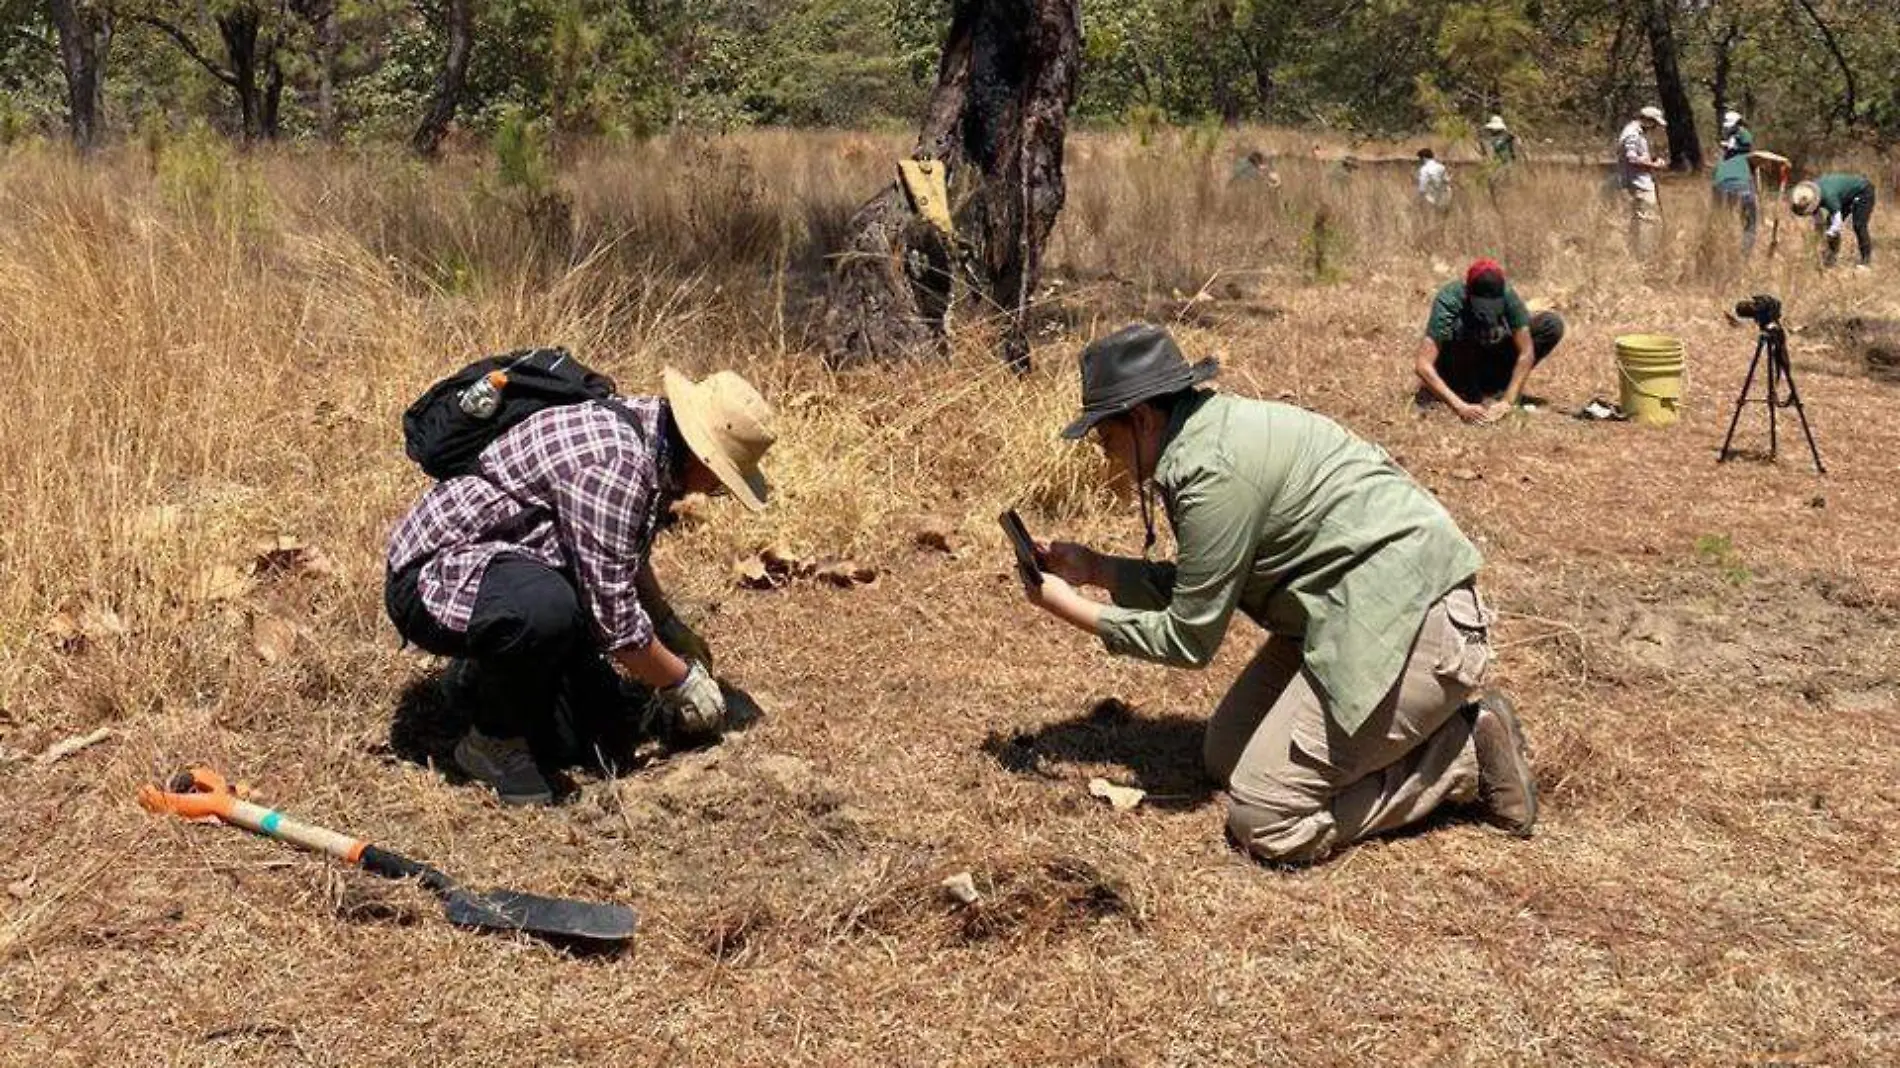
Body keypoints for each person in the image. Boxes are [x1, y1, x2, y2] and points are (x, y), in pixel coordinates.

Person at [1020, 323, 1538, 866]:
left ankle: (1462, 755)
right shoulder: (1202, 435)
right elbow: (1206, 585)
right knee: (1226, 755)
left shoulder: (1211, 472)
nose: (1108, 456)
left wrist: (1070, 608)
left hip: (1415, 622)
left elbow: (1189, 639)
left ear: (1142, 419)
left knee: (1268, 820)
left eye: (1106, 437)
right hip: (1349, 612)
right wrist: (1097, 568)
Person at [385, 368, 778, 805]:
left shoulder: (650, 439)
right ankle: (491, 744)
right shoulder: (616, 464)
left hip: (506, 571)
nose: (716, 490)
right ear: (700, 457)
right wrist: (682, 683)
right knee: (547, 610)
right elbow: (616, 625)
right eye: (721, 480)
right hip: (437, 577)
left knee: (587, 737)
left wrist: (666, 623)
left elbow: (622, 555)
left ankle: (479, 678)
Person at [1414, 258, 1565, 422]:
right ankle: (1467, 393)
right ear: (1469, 292)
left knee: (1551, 324)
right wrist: (1459, 406)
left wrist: (1508, 401)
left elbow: (1526, 351)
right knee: (1459, 327)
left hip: (1490, 361)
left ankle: (1496, 392)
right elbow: (1423, 365)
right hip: (1456, 369)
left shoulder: (1508, 295)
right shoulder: (1449, 299)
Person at [1791, 173, 1876, 268]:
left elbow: (1837, 220)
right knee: (1829, 223)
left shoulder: (1829, 197)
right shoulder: (1811, 193)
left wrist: (1829, 234)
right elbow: (1818, 219)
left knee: (1859, 225)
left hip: (1863, 190)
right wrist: (1819, 233)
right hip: (1845, 195)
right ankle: (1831, 258)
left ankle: (1866, 261)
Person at [1617, 106, 1670, 256]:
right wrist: (1654, 165)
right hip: (1639, 183)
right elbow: (1632, 158)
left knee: (1639, 219)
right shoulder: (1632, 134)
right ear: (1648, 120)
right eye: (1654, 124)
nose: (1655, 128)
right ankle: (1644, 254)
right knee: (1647, 219)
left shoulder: (1634, 131)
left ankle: (1636, 250)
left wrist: (1651, 160)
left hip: (1638, 180)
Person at [1710, 149, 1759, 255]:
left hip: (1723, 190)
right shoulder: (1748, 159)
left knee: (1721, 220)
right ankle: (1744, 256)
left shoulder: (1720, 165)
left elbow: (1715, 200)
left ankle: (1723, 250)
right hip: (1745, 193)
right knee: (1749, 226)